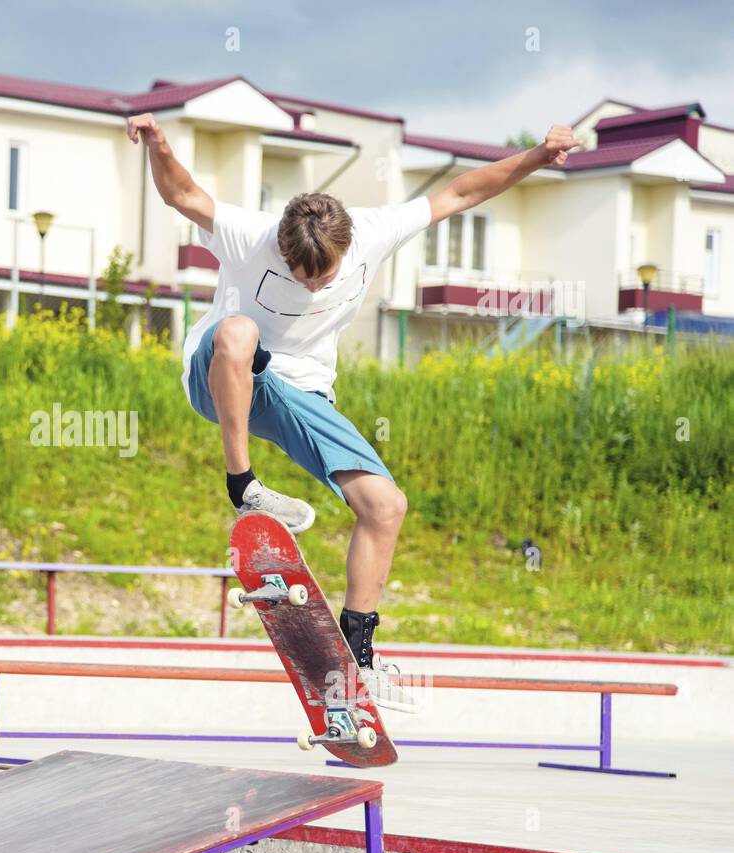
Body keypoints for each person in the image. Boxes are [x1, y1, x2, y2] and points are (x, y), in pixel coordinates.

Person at [127, 112, 579, 710]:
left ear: (346, 249)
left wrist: (537, 159)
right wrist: (159, 142)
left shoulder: (374, 228)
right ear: (282, 252)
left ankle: (358, 654)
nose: (313, 288)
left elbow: (463, 191)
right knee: (237, 332)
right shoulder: (249, 234)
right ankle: (244, 486)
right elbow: (182, 193)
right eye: (299, 276)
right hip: (219, 379)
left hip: (304, 394)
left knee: (385, 505)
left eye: (326, 277)